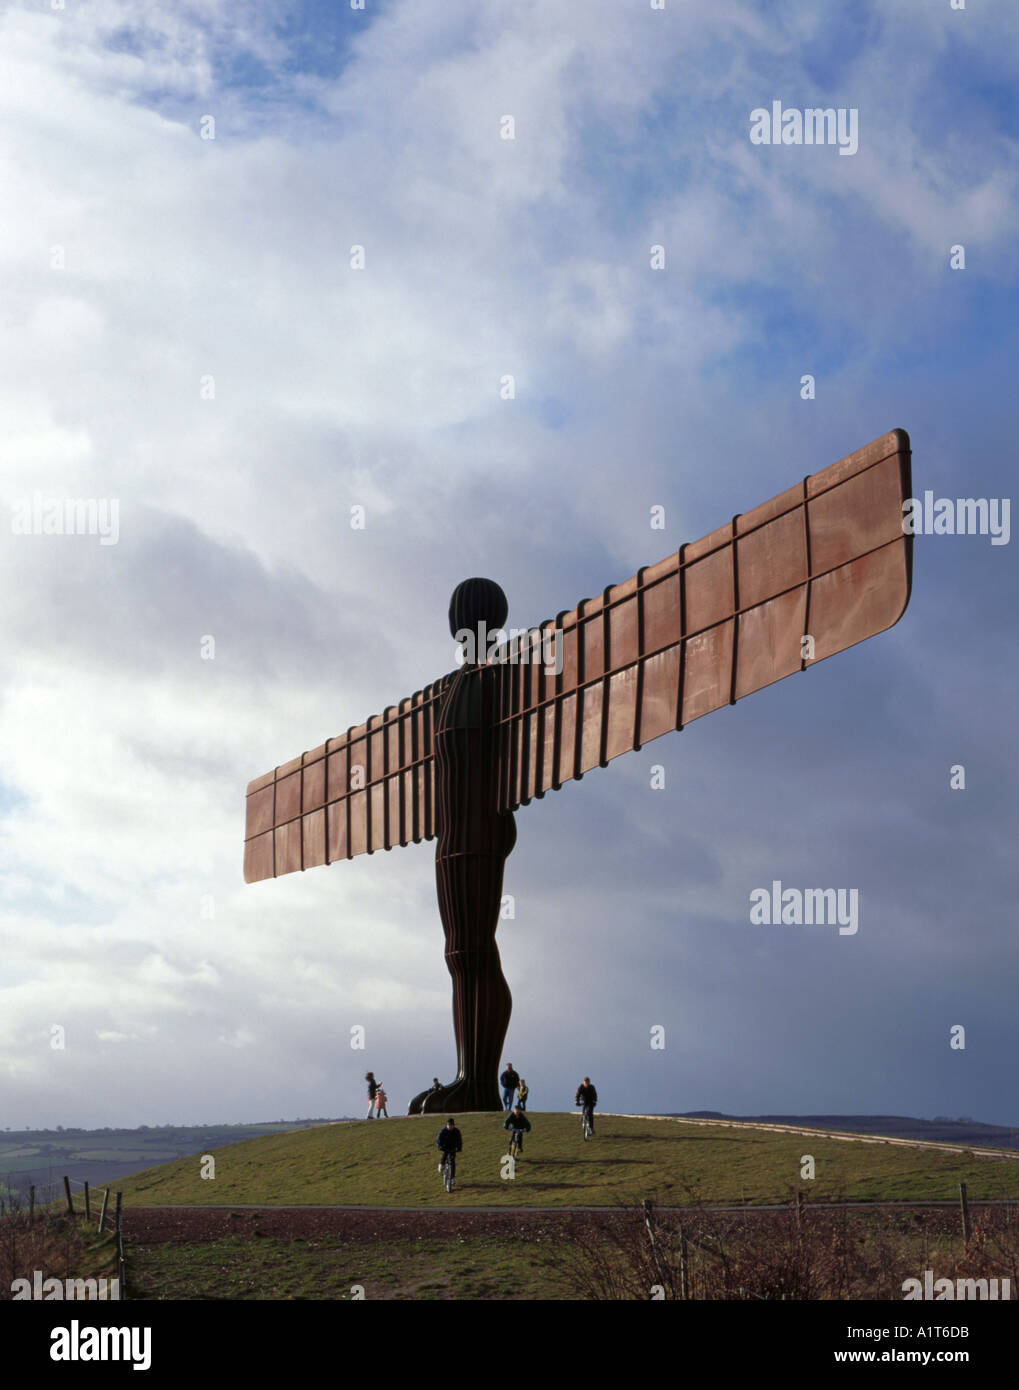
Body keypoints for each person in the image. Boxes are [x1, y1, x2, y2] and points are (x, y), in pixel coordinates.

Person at [435, 1117, 463, 1190]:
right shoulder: (443, 1131)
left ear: (453, 1125)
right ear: (447, 1125)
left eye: (451, 1125)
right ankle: (441, 1165)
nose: (450, 1127)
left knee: (452, 1162)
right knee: (444, 1155)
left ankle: (452, 1177)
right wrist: (439, 1146)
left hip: (453, 1148)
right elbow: (438, 1140)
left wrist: (459, 1148)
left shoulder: (456, 1131)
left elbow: (459, 1140)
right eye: (449, 1125)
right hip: (444, 1147)